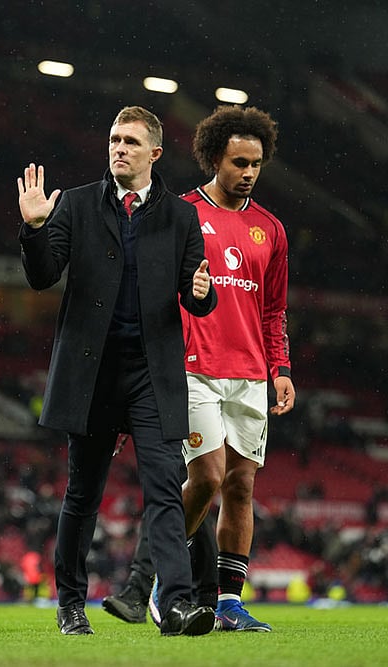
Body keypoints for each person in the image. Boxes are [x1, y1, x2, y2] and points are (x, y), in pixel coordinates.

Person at [17, 105, 218, 636]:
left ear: (155, 153)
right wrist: (35, 228)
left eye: (130, 141)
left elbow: (197, 295)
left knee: (165, 490)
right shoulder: (77, 204)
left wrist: (202, 293)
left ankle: (175, 605)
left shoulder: (181, 217)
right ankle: (70, 604)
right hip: (91, 374)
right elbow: (42, 276)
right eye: (113, 139)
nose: (119, 149)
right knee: (83, 495)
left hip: (152, 375)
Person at [102, 105, 295, 632]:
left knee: (241, 487)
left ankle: (229, 602)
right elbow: (147, 296)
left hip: (250, 374)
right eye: (239, 162)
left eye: (256, 164)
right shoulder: (180, 213)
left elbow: (274, 310)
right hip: (192, 369)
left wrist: (280, 367)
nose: (248, 173)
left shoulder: (271, 230)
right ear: (214, 158)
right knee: (206, 476)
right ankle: (162, 582)